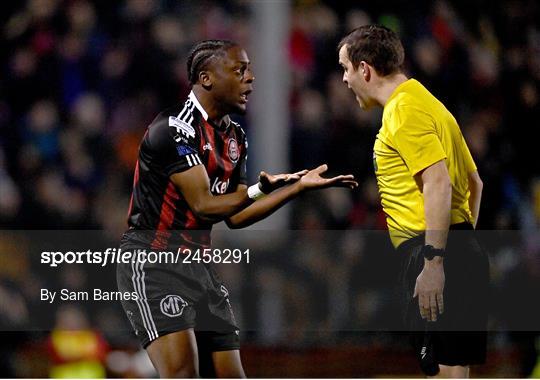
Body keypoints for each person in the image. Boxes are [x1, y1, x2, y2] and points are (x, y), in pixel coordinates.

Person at [117, 39, 358, 378]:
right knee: (183, 373)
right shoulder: (172, 129)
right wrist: (262, 188)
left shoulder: (235, 138)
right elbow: (204, 204)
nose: (251, 78)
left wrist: (295, 189)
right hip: (155, 265)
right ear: (207, 78)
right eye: (239, 70)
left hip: (198, 269)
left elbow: (237, 216)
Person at [337, 26, 488, 378]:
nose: (344, 79)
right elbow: (473, 183)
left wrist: (435, 262)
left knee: (445, 372)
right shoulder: (430, 104)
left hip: (430, 251)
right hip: (454, 247)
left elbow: (438, 181)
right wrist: (460, 248)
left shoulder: (403, 110)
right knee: (453, 371)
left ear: (365, 69)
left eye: (345, 68)